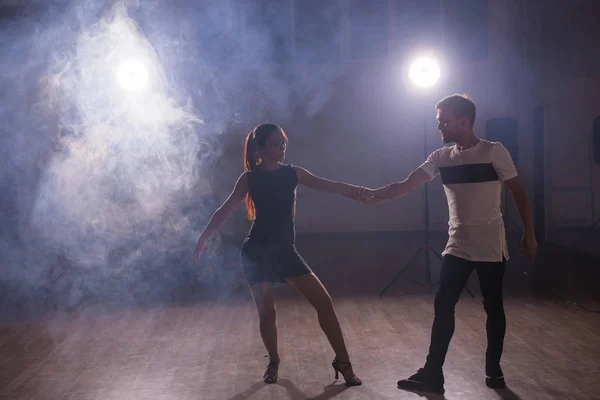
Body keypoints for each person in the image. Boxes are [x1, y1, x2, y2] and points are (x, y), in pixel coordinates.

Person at [367, 94, 538, 394]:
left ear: (463, 121)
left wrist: (530, 233)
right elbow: (407, 184)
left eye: (444, 122)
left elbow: (519, 192)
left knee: (493, 306)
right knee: (443, 303)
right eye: (439, 122)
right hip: (457, 244)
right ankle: (433, 373)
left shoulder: (494, 152)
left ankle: (493, 369)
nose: (440, 128)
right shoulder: (440, 158)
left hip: (489, 245)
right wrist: (376, 194)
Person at [190, 123, 364, 386]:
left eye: (283, 142)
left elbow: (329, 185)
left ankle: (343, 362)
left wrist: (361, 193)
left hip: (285, 251)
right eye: (275, 143)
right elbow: (225, 209)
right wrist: (203, 239)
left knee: (324, 302)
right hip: (257, 252)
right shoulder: (249, 178)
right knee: (267, 314)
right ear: (260, 148)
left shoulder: (293, 174)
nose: (282, 147)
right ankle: (273, 360)